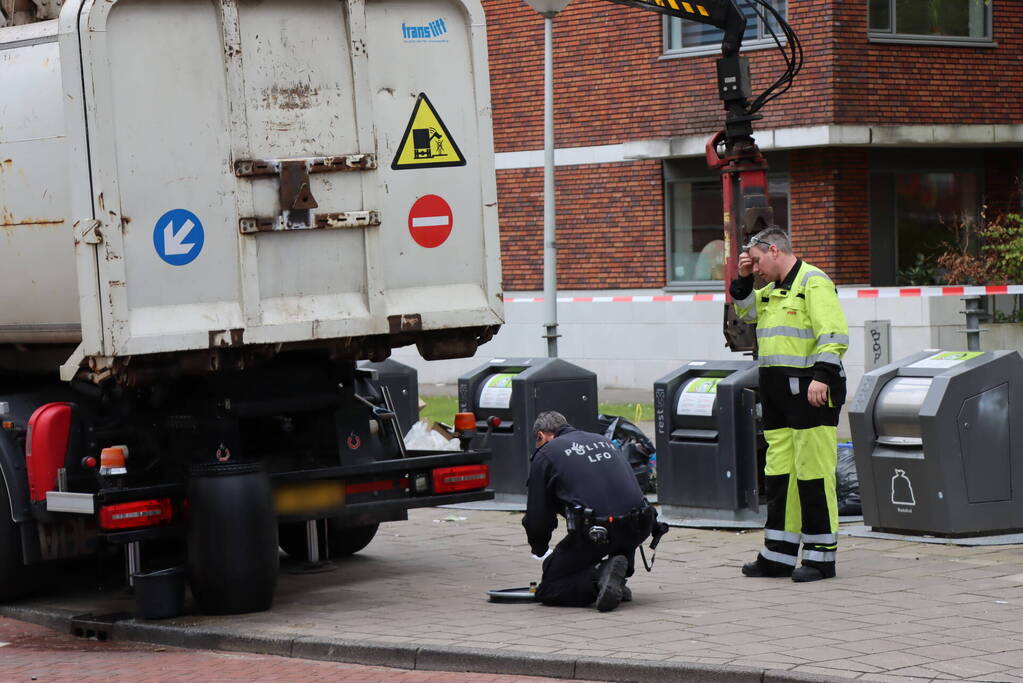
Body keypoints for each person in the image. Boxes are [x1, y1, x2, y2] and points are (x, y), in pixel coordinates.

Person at [731, 226, 849, 582]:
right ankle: (777, 556)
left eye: (757, 261)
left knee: (813, 474)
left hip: (811, 391)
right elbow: (746, 311)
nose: (756, 269)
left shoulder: (814, 282)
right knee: (780, 475)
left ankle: (821, 558)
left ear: (774, 251)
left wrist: (823, 376)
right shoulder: (771, 289)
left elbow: (834, 332)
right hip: (778, 394)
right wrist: (742, 277)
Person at [522, 411, 654, 612]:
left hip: (599, 531)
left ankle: (599, 579)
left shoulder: (547, 453)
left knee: (550, 588)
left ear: (541, 436)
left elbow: (538, 517)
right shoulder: (602, 440)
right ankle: (618, 572)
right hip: (641, 524)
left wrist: (539, 549)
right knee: (614, 534)